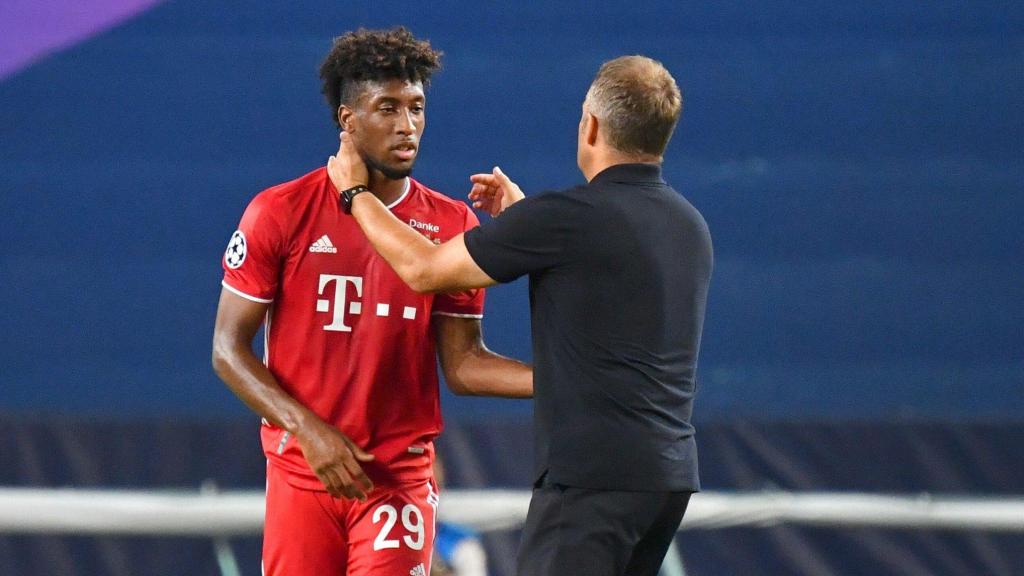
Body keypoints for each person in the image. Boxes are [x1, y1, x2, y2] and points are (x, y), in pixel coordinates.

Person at [327, 54, 712, 576]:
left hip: (591, 479)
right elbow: (599, 283)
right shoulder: (689, 225)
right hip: (666, 480)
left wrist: (355, 194)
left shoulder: (568, 218)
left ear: (591, 125)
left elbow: (423, 269)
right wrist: (522, 222)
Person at [211, 27, 532, 576]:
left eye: (416, 107)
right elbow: (227, 348)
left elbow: (463, 365)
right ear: (348, 120)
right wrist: (307, 430)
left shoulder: (451, 222)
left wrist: (573, 379)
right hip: (301, 474)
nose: (407, 126)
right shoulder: (278, 211)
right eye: (388, 108)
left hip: (397, 484)